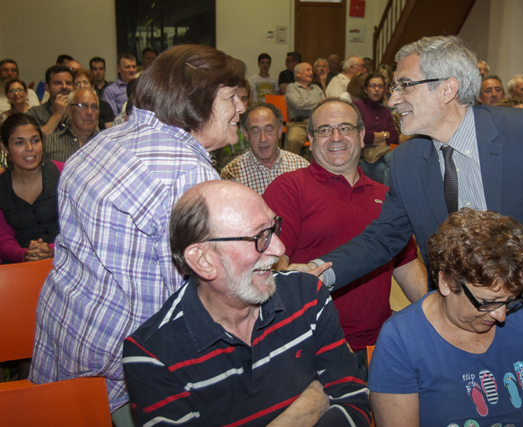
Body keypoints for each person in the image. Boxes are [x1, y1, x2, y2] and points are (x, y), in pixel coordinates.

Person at [290, 36, 523, 427]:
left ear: (447, 88)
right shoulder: (408, 161)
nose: (393, 99)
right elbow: (383, 237)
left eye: (403, 85)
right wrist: (317, 271)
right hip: (466, 333)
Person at [29, 44, 246, 426]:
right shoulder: (190, 175)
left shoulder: (106, 139)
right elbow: (197, 297)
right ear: (196, 101)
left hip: (66, 325)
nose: (241, 108)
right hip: (119, 361)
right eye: (231, 97)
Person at [123, 180, 371, 426]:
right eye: (259, 236)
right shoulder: (152, 355)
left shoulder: (306, 295)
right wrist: (300, 415)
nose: (279, 248)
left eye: (274, 228)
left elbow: (355, 405)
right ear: (203, 261)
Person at [263, 99, 426, 380]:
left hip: (379, 345)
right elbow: (272, 269)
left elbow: (406, 266)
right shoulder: (289, 188)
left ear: (362, 137)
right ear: (311, 140)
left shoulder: (387, 196)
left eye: (345, 128)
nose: (336, 137)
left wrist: (442, 323)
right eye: (325, 130)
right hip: (312, 346)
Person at [369, 208, 523, 427]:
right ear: (446, 282)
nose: (501, 315)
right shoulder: (401, 340)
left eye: (510, 300)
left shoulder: (522, 320)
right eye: (487, 302)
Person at [0, 114, 63, 263]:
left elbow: (78, 226)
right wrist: (25, 254)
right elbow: (3, 238)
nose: (30, 149)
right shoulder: (2, 185)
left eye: (35, 140)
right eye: (19, 143)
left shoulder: (63, 173)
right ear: (5, 147)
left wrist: (52, 249)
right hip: (19, 265)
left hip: (66, 259)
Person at [221, 102, 308, 194]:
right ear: (246, 134)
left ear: (279, 131)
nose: (263, 139)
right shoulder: (231, 174)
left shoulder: (301, 167)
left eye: (269, 130)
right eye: (255, 131)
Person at [354, 73, 399, 185]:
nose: (377, 89)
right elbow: (359, 135)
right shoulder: (357, 107)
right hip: (363, 157)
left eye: (380, 86)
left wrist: (373, 138)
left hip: (383, 154)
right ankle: (389, 200)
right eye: (373, 86)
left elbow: (395, 138)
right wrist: (385, 135)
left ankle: (387, 200)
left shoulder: (385, 111)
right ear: (365, 89)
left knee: (395, 161)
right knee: (390, 168)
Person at [43, 88, 100, 162]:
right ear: (69, 112)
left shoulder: (106, 144)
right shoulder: (49, 143)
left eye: (94, 107)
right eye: (82, 106)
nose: (89, 112)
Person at [212, 77, 252, 170]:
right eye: (233, 98)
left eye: (244, 99)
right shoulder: (218, 125)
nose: (240, 104)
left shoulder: (253, 122)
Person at [285, 62, 324, 154]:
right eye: (308, 70)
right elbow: (298, 104)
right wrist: (318, 102)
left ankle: (322, 167)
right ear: (298, 73)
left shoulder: (317, 88)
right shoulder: (292, 87)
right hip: (299, 124)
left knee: (327, 140)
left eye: (311, 70)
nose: (311, 72)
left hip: (317, 123)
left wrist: (319, 103)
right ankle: (291, 167)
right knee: (293, 140)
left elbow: (324, 105)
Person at [26, 65, 73, 136]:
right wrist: (58, 115)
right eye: (58, 83)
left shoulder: (81, 110)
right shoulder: (34, 113)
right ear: (47, 87)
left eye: (68, 83)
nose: (64, 86)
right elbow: (35, 140)